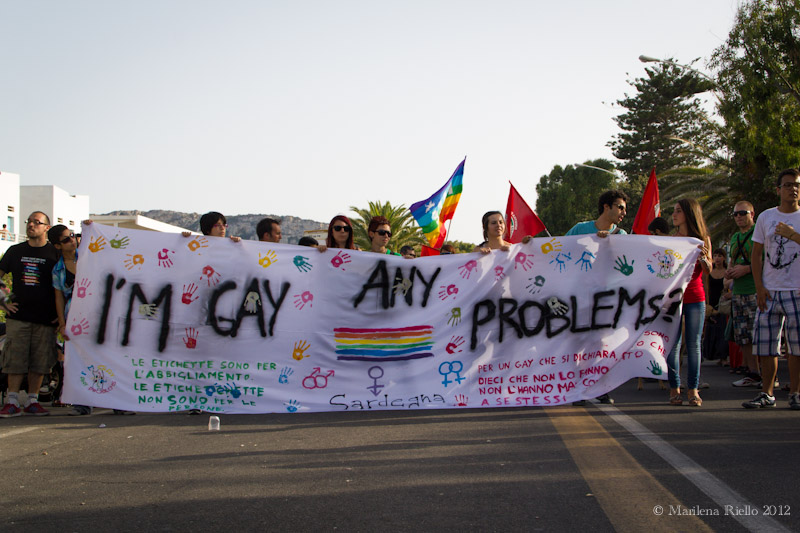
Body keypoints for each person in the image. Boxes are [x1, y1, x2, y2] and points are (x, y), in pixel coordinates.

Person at [742, 169, 800, 409]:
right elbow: (756, 255)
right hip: (769, 290)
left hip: (797, 290)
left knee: (797, 346)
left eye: (796, 185)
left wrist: (793, 235)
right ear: (778, 190)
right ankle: (767, 393)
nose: (793, 189)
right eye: (787, 185)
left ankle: (796, 393)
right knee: (766, 346)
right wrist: (759, 286)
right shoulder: (766, 217)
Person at [0, 211, 59, 418]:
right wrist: (3, 302)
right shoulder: (15, 251)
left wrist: (61, 315)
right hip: (18, 318)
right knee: (14, 359)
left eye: (37, 222)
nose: (31, 225)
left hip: (46, 319)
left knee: (40, 360)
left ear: (46, 228)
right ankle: (12, 401)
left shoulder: (55, 254)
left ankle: (33, 401)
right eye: (29, 221)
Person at [666, 199, 712, 407]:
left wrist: (703, 259)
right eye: (673, 211)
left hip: (695, 296)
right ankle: (674, 388)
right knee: (672, 345)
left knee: (693, 344)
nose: (674, 215)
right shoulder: (671, 240)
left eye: (678, 211)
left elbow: (709, 270)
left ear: (689, 214)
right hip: (673, 298)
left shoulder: (702, 240)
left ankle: (693, 389)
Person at [726, 201, 762, 387]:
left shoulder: (759, 233)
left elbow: (767, 259)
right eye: (735, 214)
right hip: (738, 292)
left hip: (755, 290)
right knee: (743, 335)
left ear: (752, 213)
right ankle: (752, 372)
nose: (739, 217)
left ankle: (768, 375)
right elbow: (732, 261)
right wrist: (730, 272)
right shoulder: (734, 238)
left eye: (742, 213)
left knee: (759, 334)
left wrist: (747, 269)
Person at [703, 249, 731, 364]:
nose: (717, 258)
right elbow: (706, 287)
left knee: (722, 330)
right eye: (715, 255)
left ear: (724, 258)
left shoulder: (727, 272)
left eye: (720, 256)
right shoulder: (709, 272)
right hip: (711, 302)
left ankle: (723, 357)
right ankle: (713, 355)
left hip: (723, 303)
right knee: (711, 329)